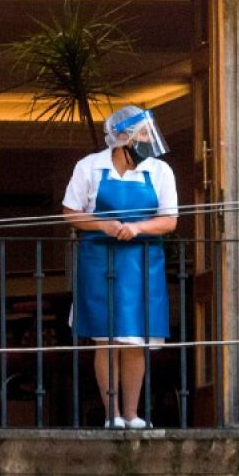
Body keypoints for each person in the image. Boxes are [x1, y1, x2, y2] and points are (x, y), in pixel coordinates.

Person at [62, 105, 178, 429]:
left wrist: (138, 228)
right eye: (142, 134)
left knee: (135, 339)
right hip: (99, 260)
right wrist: (103, 225)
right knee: (107, 338)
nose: (147, 140)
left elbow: (169, 220)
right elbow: (70, 211)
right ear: (122, 137)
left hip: (141, 262)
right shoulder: (89, 167)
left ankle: (132, 414)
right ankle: (111, 414)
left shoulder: (159, 171)